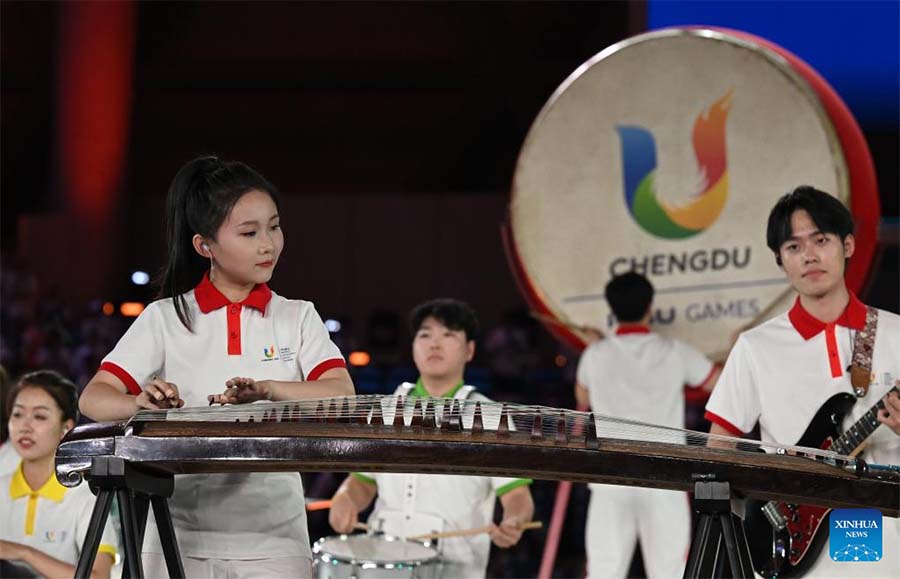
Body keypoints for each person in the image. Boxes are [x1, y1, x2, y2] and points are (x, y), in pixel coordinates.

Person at [79, 156, 354, 578]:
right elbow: (94, 398)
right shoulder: (165, 317)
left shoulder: (298, 316)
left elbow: (341, 392)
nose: (269, 244)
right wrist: (139, 401)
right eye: (249, 232)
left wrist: (268, 389)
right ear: (204, 246)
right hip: (173, 532)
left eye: (274, 226)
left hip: (274, 539)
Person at [705, 185, 900, 577]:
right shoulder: (755, 347)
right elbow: (718, 451)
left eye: (821, 240)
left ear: (847, 245)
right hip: (784, 541)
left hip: (879, 541)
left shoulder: (896, 334)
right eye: (793, 247)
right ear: (780, 261)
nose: (809, 255)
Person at [328, 298, 534, 578]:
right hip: (385, 561)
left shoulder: (489, 415)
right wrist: (345, 500)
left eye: (448, 335)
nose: (434, 344)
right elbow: (362, 482)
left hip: (455, 567)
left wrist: (515, 521)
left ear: (470, 350)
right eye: (425, 335)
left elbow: (517, 495)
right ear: (413, 347)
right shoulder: (386, 409)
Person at [575, 271, 719, 578]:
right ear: (650, 307)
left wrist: (595, 348)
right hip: (663, 476)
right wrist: (734, 348)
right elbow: (716, 383)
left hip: (609, 478)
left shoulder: (595, 355)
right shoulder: (674, 352)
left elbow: (581, 395)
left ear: (611, 311)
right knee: (670, 573)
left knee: (603, 572)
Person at [0, 370, 118, 578]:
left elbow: (100, 576)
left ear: (66, 428)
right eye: (17, 414)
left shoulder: (85, 498)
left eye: (39, 416)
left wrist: (24, 553)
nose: (25, 427)